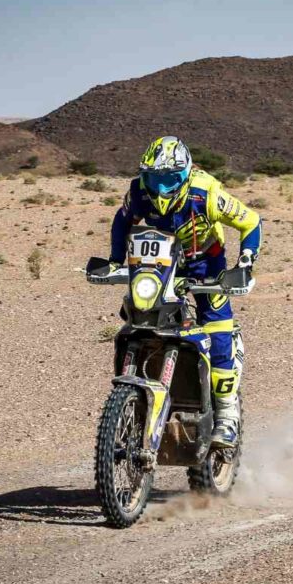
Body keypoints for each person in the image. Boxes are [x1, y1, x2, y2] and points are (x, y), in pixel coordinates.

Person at [108, 136, 261, 447]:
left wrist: (245, 261)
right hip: (160, 261)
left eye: (170, 179)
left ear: (187, 173)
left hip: (206, 261)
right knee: (141, 318)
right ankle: (138, 398)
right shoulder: (138, 191)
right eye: (155, 178)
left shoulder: (206, 193)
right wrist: (113, 261)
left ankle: (226, 413)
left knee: (217, 326)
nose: (162, 188)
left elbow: (251, 221)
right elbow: (122, 221)